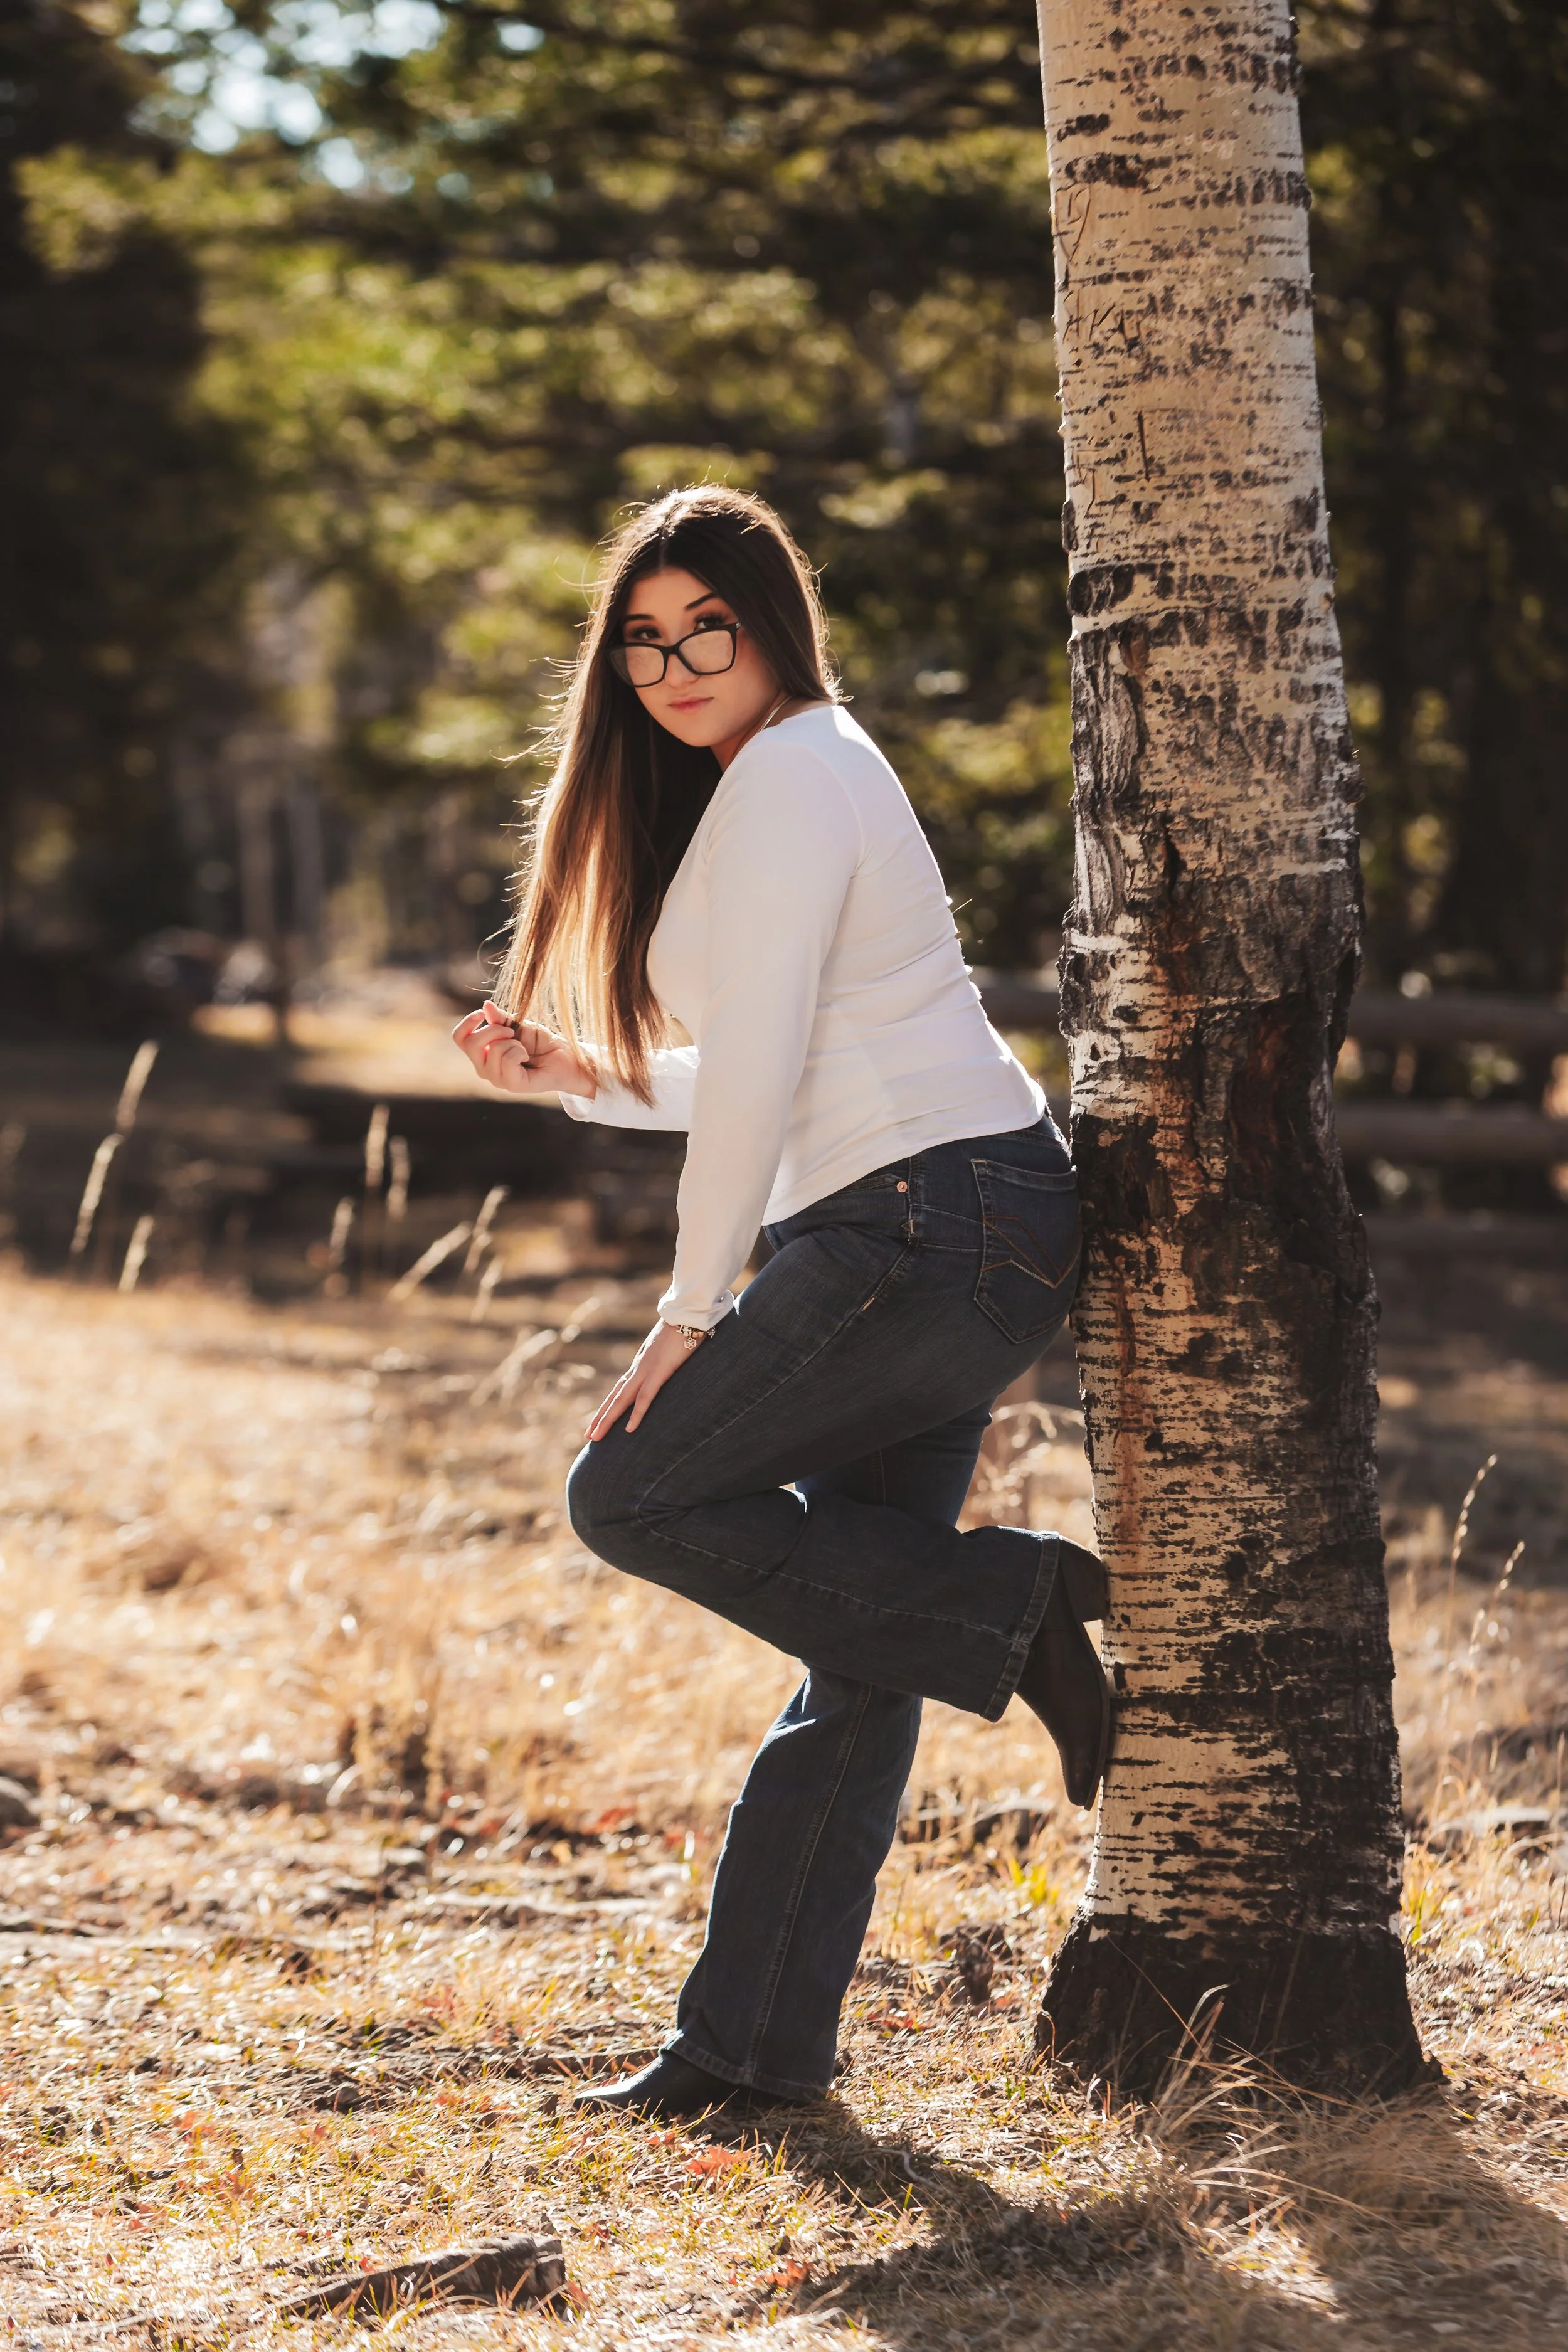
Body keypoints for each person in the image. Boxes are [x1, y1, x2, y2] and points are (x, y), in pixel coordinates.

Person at [452, 485, 1109, 2120]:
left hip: (922, 1219)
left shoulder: (797, 769)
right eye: (643, 643)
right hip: (962, 1213)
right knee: (853, 1642)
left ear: (769, 629)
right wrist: (587, 1083)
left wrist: (689, 1306)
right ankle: (748, 2050)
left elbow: (765, 1072)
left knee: (634, 1487)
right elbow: (777, 1057)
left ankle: (1017, 1608)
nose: (672, 667)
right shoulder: (788, 776)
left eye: (706, 631)